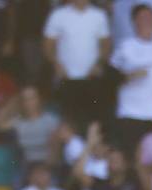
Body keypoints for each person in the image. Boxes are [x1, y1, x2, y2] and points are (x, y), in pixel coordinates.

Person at [109, 3, 152, 156]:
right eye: (143, 17)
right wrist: (128, 76)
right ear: (134, 22)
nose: (147, 21)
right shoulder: (126, 47)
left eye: (150, 17)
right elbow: (109, 78)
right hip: (131, 114)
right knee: (131, 156)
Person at [44, 0, 113, 132]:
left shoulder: (99, 15)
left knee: (93, 122)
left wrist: (99, 64)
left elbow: (106, 44)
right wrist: (55, 63)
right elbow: (48, 45)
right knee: (68, 123)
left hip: (91, 78)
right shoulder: (58, 15)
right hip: (66, 78)